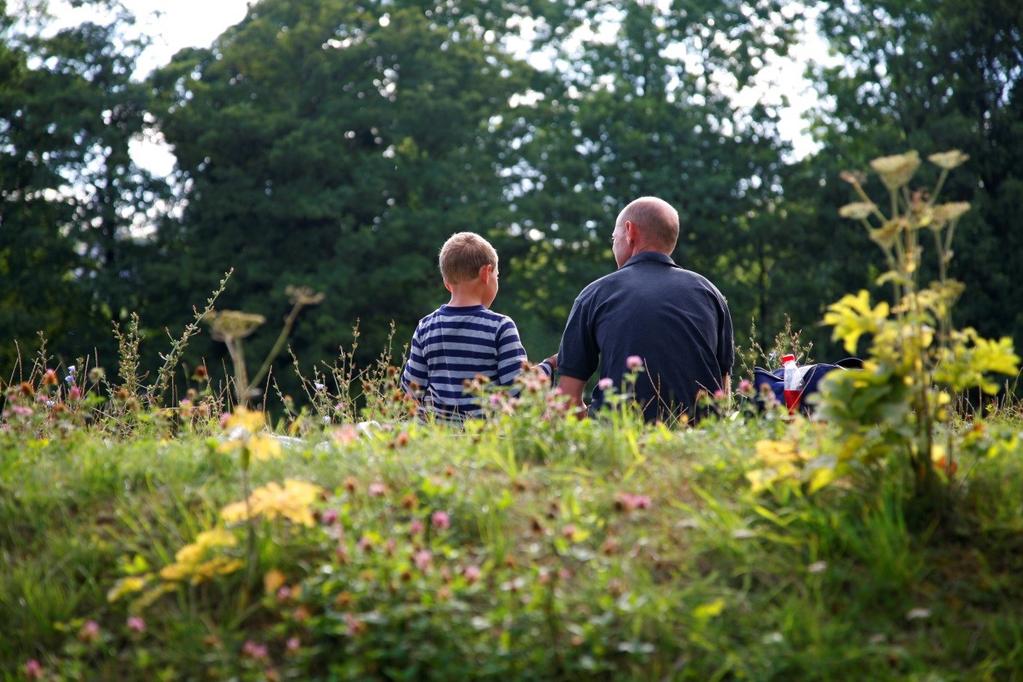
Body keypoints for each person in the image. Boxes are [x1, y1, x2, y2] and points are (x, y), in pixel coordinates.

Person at [555, 196, 734, 422]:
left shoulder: (595, 295)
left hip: (621, 443)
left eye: (613, 237)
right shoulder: (710, 294)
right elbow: (723, 389)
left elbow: (567, 401)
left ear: (630, 232)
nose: (613, 244)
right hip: (699, 442)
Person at [401, 232, 556, 422]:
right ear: (486, 273)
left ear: (447, 283)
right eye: (497, 276)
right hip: (484, 440)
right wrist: (549, 366)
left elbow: (411, 390)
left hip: (437, 441)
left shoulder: (425, 327)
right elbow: (519, 390)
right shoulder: (500, 327)